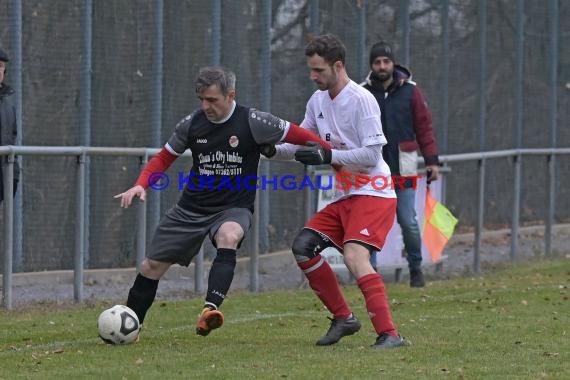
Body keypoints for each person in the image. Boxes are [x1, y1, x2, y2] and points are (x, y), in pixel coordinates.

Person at [114, 66, 334, 339]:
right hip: (191, 208)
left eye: (212, 100)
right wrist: (141, 184)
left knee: (229, 235)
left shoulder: (254, 121)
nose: (205, 106)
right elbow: (163, 158)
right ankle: (129, 327)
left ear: (231, 95)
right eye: (201, 100)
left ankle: (210, 310)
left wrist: (331, 153)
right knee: (150, 267)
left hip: (233, 208)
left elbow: (299, 134)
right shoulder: (192, 124)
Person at [269, 34, 407, 349]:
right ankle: (344, 318)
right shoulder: (317, 101)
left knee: (355, 256)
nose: (312, 76)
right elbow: (300, 143)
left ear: (338, 65)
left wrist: (328, 155)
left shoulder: (362, 100)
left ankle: (390, 334)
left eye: (318, 70)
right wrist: (269, 149)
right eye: (311, 70)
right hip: (347, 194)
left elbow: (372, 155)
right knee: (303, 246)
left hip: (374, 191)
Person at [362, 41, 440, 288]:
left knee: (408, 221)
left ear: (393, 63)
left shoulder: (411, 91)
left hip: (403, 169)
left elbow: (424, 128)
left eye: (386, 61)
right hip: (372, 170)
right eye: (377, 62)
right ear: (371, 65)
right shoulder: (362, 92)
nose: (382, 66)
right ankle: (370, 274)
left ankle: (415, 269)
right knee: (370, 226)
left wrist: (432, 161)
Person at [0, 48, 20, 202]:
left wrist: (13, 171)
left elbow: (12, 134)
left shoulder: (8, 99)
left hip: (6, 171)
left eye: (1, 66)